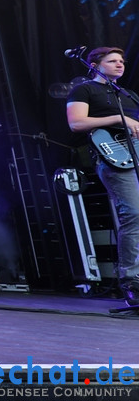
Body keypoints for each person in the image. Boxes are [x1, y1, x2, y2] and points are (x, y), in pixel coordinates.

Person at [65, 46, 139, 305]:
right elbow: (76, 123)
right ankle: (132, 281)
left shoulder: (128, 95)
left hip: (136, 154)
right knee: (134, 214)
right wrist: (118, 119)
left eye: (122, 61)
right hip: (115, 158)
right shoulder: (84, 89)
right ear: (95, 65)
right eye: (113, 61)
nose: (120, 65)